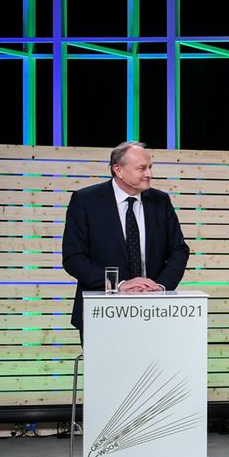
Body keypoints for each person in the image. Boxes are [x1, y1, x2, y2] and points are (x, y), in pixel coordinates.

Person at [61, 141, 191, 332]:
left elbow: (179, 250)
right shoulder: (86, 201)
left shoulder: (160, 201)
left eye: (150, 167)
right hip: (101, 312)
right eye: (142, 168)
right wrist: (118, 284)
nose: (149, 174)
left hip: (155, 311)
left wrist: (160, 287)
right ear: (118, 170)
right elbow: (74, 257)